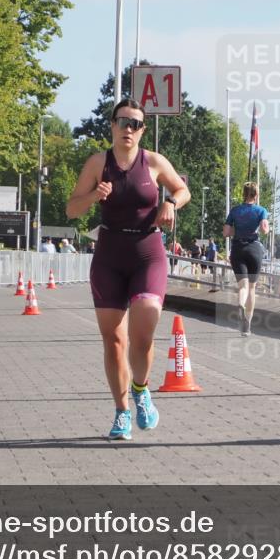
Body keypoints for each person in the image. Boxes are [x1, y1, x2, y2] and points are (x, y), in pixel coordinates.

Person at [66, 98, 190, 441]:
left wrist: (170, 202)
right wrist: (94, 196)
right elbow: (72, 209)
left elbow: (182, 189)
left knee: (145, 326)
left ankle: (141, 389)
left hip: (147, 252)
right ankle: (122, 411)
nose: (128, 129)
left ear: (142, 130)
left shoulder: (153, 162)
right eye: (123, 122)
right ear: (112, 126)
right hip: (109, 255)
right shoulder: (97, 164)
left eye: (135, 124)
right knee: (114, 341)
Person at [224, 181, 269, 336]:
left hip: (238, 249)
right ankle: (247, 326)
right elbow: (264, 229)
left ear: (244, 194)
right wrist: (267, 229)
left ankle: (240, 304)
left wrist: (235, 230)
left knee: (242, 286)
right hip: (254, 249)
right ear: (256, 195)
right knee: (252, 288)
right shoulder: (261, 211)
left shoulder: (235, 211)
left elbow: (226, 232)